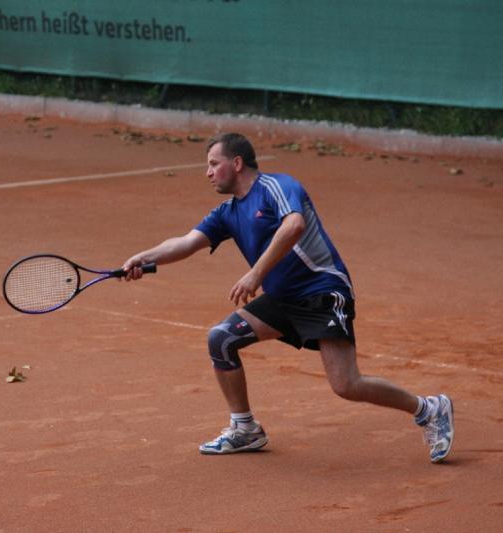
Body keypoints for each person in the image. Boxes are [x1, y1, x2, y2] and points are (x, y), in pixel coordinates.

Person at [121, 132, 454, 463]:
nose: (207, 172)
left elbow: (294, 225)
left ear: (236, 163)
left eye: (213, 164)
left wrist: (256, 274)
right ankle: (245, 428)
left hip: (322, 292)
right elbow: (185, 242)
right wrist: (143, 257)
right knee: (221, 339)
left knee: (346, 384)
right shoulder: (227, 212)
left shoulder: (277, 187)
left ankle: (429, 409)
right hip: (282, 299)